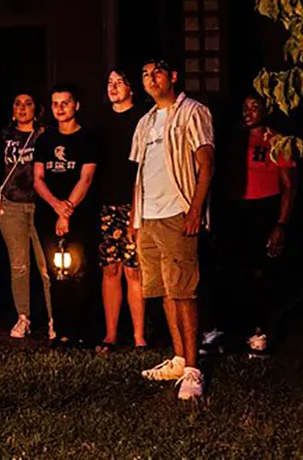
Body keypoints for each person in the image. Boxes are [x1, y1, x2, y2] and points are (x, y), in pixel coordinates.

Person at [132, 60, 214, 400]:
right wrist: (135, 217)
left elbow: (206, 161)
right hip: (148, 215)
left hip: (177, 211)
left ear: (173, 77)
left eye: (158, 73)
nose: (151, 79)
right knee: (165, 289)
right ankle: (180, 358)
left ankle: (194, 369)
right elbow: (138, 171)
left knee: (184, 289)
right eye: (146, 74)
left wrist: (195, 209)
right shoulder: (145, 120)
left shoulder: (193, 112)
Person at [221, 93, 296, 358]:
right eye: (245, 107)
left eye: (254, 107)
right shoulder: (233, 140)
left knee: (261, 272)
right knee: (234, 271)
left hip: (264, 207)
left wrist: (281, 224)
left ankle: (260, 330)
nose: (249, 112)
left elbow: (288, 185)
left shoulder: (277, 140)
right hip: (236, 208)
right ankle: (234, 330)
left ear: (266, 110)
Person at [33, 83, 98, 348]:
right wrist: (56, 206)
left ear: (76, 105)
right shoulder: (45, 140)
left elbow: (86, 177)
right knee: (54, 271)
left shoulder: (87, 138)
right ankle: (60, 331)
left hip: (79, 214)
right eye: (56, 103)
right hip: (48, 213)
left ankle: (83, 331)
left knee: (78, 270)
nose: (60, 108)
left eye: (65, 103)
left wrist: (67, 210)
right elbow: (38, 178)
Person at [0, 91, 54, 340]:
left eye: (28, 103)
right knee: (19, 265)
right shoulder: (4, 136)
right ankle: (23, 317)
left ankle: (54, 318)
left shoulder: (45, 135)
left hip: (40, 205)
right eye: (17, 103)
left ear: (36, 108)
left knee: (46, 266)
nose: (22, 108)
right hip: (12, 204)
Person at [97, 70, 148, 351]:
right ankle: (111, 333)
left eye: (119, 82)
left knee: (134, 270)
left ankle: (139, 335)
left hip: (135, 202)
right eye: (109, 83)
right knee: (110, 268)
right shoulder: (100, 120)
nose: (113, 87)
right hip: (106, 203)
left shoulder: (142, 118)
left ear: (130, 88)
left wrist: (137, 208)